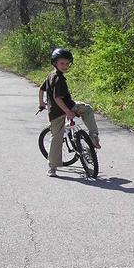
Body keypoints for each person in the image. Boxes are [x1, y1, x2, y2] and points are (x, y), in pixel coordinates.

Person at [39, 48, 101, 177]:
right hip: (62, 110)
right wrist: (68, 111)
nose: (65, 66)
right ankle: (93, 135)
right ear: (55, 63)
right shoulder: (58, 79)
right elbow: (57, 98)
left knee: (57, 137)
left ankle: (52, 168)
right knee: (87, 110)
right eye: (62, 63)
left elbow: (41, 89)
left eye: (67, 64)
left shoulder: (51, 75)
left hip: (55, 111)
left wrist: (41, 103)